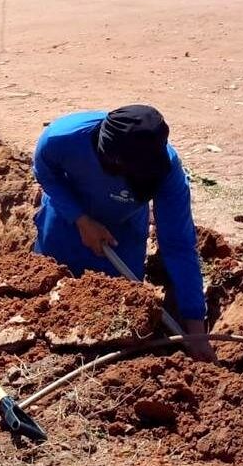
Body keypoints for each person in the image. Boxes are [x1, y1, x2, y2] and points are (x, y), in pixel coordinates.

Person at [32, 104, 216, 361]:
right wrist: (81, 220)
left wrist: (196, 328)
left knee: (120, 316)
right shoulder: (63, 137)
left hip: (123, 232)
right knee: (47, 299)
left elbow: (179, 245)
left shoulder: (167, 171)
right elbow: (45, 172)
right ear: (111, 160)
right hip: (65, 221)